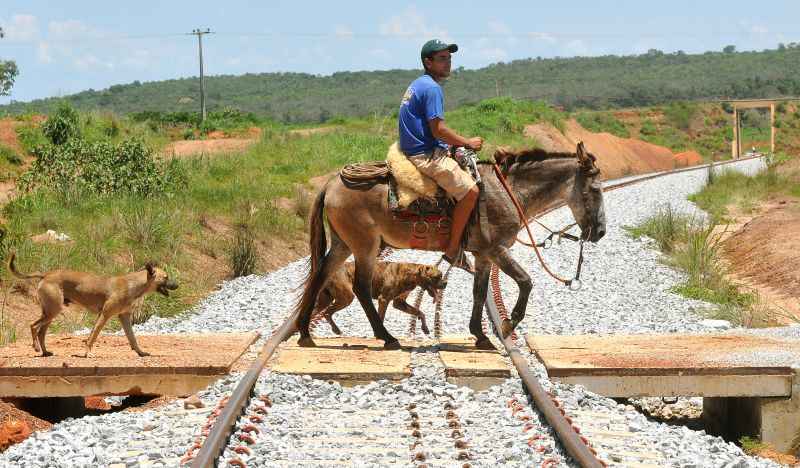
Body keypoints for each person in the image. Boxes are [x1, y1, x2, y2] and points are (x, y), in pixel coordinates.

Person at [398, 39, 482, 273]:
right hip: (423, 154)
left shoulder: (419, 84)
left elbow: (431, 130)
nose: (448, 63)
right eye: (442, 59)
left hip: (418, 146)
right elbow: (439, 130)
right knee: (471, 192)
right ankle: (454, 250)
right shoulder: (433, 88)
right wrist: (468, 142)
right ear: (428, 61)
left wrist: (450, 146)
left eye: (449, 58)